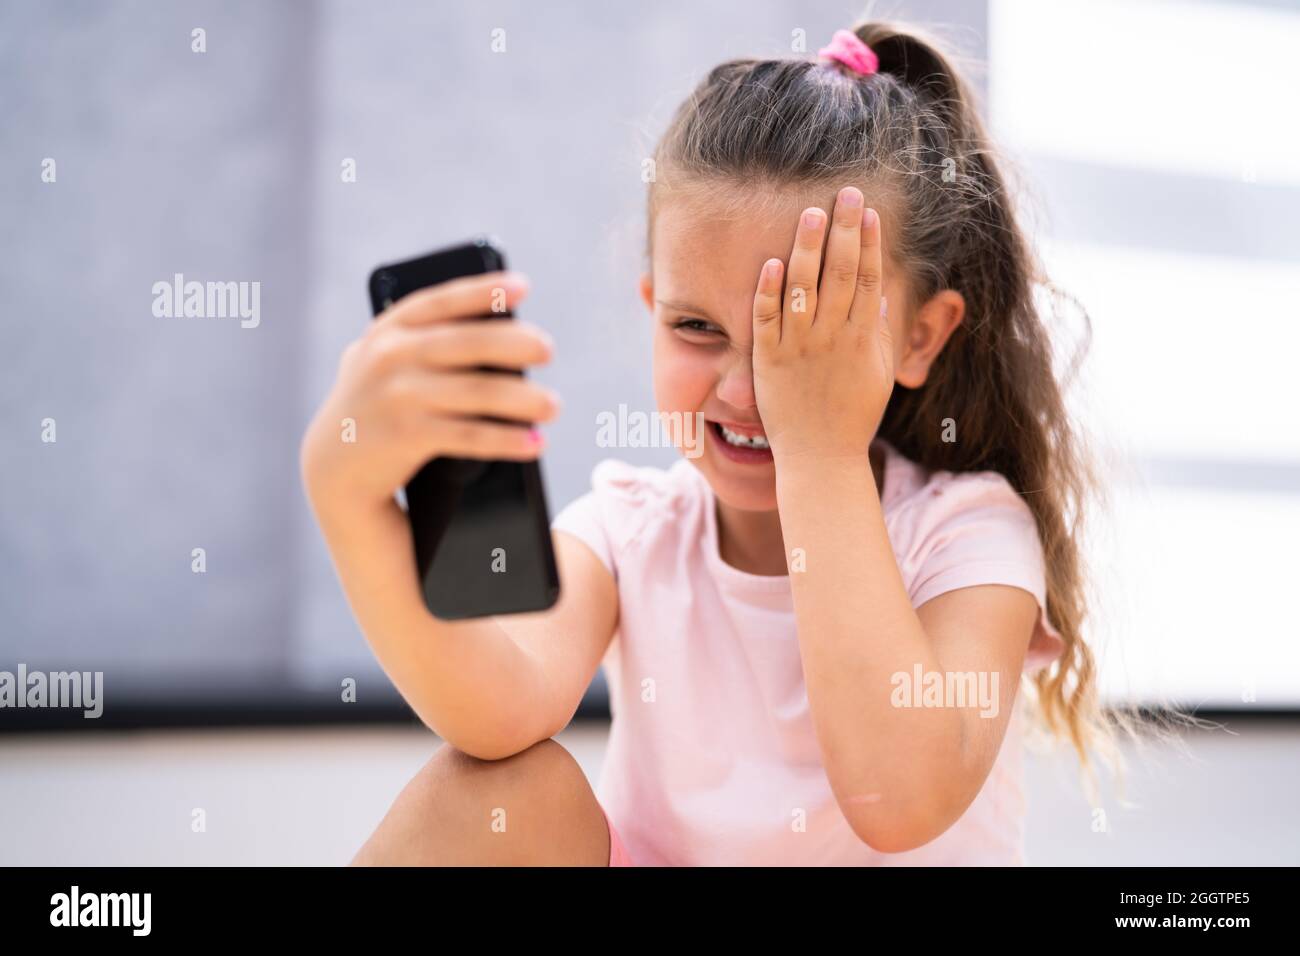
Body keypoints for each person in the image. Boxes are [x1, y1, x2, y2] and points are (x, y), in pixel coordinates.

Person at [301, 20, 1137, 866]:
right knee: (496, 791)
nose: (743, 388)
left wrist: (822, 453)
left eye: (804, 336)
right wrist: (350, 498)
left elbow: (899, 802)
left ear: (920, 339)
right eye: (696, 326)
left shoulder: (968, 531)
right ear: (650, 304)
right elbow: (498, 710)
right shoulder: (632, 527)